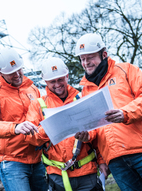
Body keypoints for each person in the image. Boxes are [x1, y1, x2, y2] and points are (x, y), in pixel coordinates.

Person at [74, 33, 142, 191]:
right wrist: (88, 136)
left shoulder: (126, 70)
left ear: (104, 54)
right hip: (115, 160)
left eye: (90, 57)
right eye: (82, 59)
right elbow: (95, 127)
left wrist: (125, 113)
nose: (86, 63)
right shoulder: (85, 91)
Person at [24, 57, 105, 191]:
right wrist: (52, 126)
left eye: (60, 79)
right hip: (57, 175)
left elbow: (97, 130)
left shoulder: (81, 98)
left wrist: (89, 136)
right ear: (45, 81)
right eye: (52, 81)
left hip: (87, 173)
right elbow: (30, 137)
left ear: (67, 76)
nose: (57, 84)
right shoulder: (38, 105)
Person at [0, 48, 48, 191]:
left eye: (19, 70)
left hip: (37, 160)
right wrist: (14, 128)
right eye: (11, 73)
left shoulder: (33, 90)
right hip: (12, 162)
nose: (17, 75)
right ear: (0, 72)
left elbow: (43, 116)